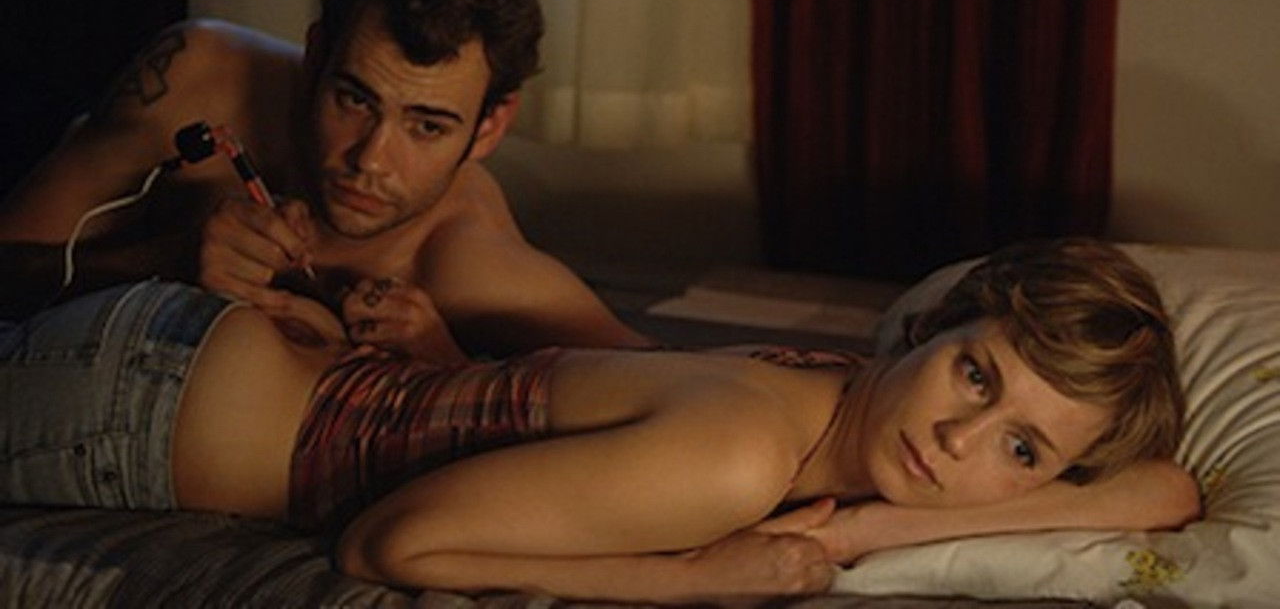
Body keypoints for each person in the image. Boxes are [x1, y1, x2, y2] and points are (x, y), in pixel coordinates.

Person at [0, 238, 1200, 603]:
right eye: (976, 377)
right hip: (135, 409)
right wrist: (690, 579)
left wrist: (860, 531)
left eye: (1022, 449)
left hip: (187, 365)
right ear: (931, 330)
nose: (956, 443)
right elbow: (384, 549)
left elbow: (1163, 492)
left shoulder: (836, 388)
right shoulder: (736, 461)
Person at [0, 0, 647, 360]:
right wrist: (168, 261)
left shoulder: (466, 262)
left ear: (490, 128)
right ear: (313, 60)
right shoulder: (197, 77)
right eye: (354, 99)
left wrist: (446, 365)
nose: (372, 159)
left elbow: (667, 380)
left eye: (426, 126)